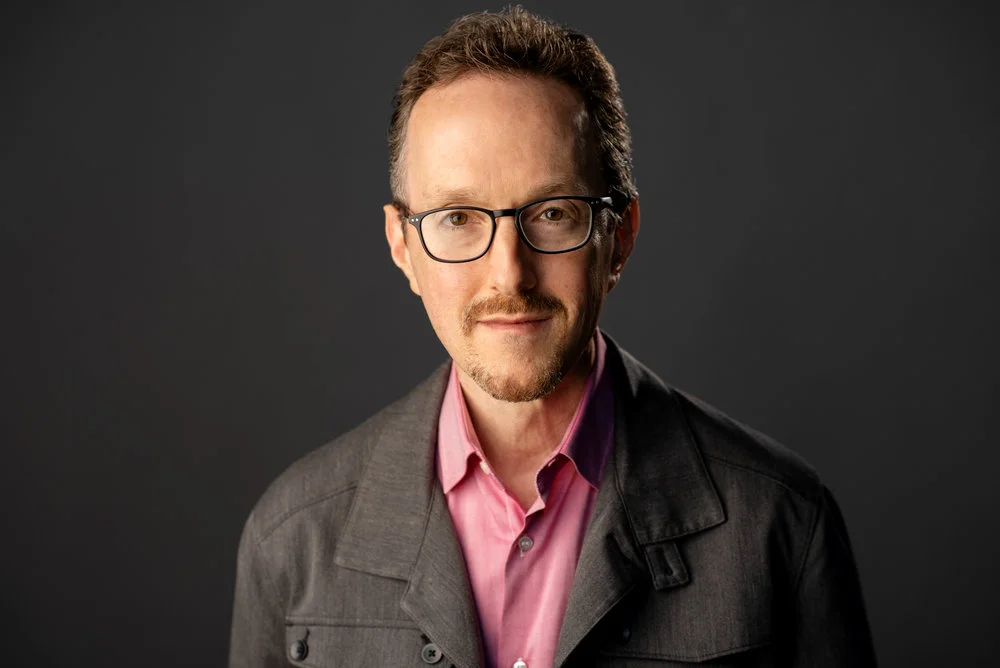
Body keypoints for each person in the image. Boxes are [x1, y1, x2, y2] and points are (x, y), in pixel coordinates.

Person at [229, 7, 877, 667]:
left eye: (554, 212)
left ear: (619, 237)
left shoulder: (781, 524)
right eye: (458, 217)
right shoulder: (290, 538)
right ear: (403, 247)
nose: (509, 274)